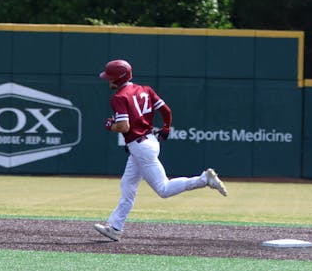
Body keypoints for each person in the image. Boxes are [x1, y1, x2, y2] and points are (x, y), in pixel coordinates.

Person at [94, 59, 227, 242]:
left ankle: (204, 179)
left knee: (163, 189)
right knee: (128, 186)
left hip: (140, 147)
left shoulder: (119, 97)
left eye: (110, 77)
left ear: (118, 79)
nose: (107, 80)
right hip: (148, 141)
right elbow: (166, 110)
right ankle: (115, 227)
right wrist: (166, 128)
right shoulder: (145, 90)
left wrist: (110, 125)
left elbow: (123, 127)